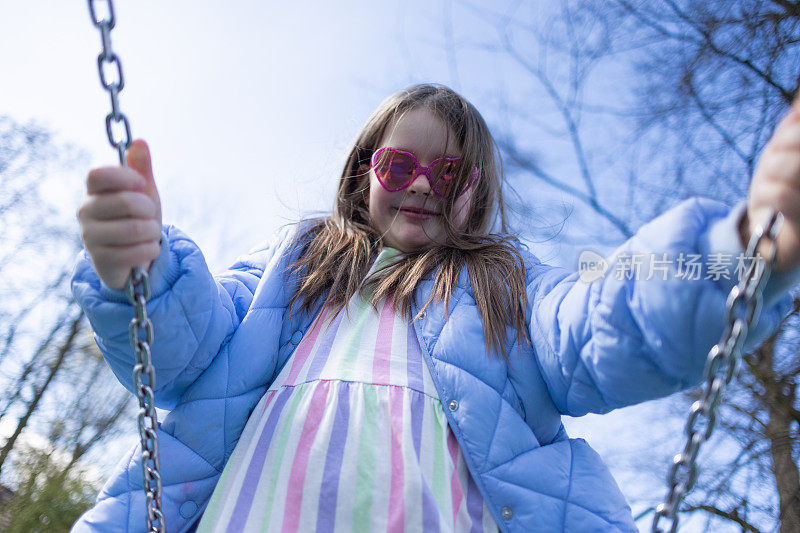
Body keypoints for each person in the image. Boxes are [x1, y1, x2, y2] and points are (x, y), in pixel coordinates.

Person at [71, 84, 800, 532]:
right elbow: (190, 344)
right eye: (400, 165)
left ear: (476, 193)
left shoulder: (508, 288)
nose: (422, 184)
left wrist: (738, 247)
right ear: (365, 174)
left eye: (448, 172)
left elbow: (604, 319)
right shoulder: (291, 271)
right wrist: (145, 268)